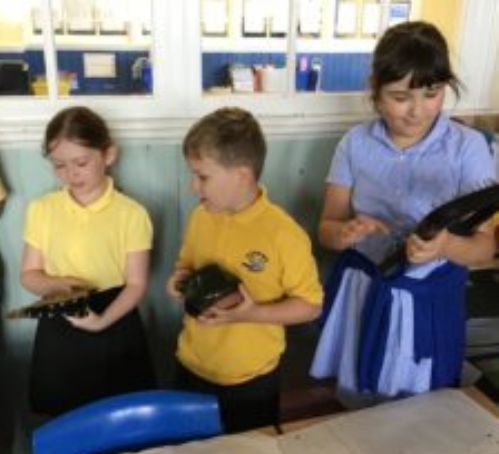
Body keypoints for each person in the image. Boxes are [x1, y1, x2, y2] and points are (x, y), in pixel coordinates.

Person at [310, 21, 496, 408]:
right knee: (359, 394)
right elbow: (326, 228)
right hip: (364, 288)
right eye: (400, 97)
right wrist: (344, 233)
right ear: (375, 91)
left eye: (432, 94)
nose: (417, 111)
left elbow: (484, 248)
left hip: (430, 296)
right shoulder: (355, 144)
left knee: (421, 406)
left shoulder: (467, 148)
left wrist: (444, 246)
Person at [166, 107, 323, 433]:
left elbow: (310, 306)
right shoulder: (200, 217)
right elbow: (185, 266)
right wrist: (177, 281)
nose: (194, 186)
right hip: (191, 365)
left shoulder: (283, 234)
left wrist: (251, 314)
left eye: (203, 177)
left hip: (251, 379)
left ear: (242, 175)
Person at [21, 106, 156, 416]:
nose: (71, 174)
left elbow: (136, 284)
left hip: (115, 318)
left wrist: (102, 321)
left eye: (81, 163)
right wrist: (57, 284)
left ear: (109, 155)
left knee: (119, 416)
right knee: (64, 414)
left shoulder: (131, 214)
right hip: (61, 319)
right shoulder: (42, 209)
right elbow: (28, 274)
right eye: (59, 165)